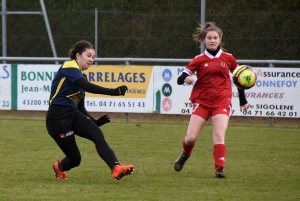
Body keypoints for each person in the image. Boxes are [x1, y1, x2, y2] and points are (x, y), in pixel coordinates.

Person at [46, 40, 134, 180]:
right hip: (57, 119)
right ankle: (59, 167)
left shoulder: (80, 76)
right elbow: (86, 86)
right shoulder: (69, 66)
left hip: (72, 114)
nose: (91, 60)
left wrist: (94, 122)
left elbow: (80, 107)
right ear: (78, 55)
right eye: (88, 55)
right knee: (75, 159)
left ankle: (116, 168)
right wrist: (114, 92)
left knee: (98, 136)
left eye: (93, 57)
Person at [174, 22, 251, 178]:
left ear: (220, 39)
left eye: (215, 38)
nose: (212, 40)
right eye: (209, 38)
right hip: (202, 102)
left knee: (218, 135)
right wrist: (187, 78)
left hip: (222, 102)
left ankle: (219, 168)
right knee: (190, 138)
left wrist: (243, 101)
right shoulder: (199, 59)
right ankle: (185, 155)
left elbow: (239, 80)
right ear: (204, 40)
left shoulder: (229, 58)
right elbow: (179, 79)